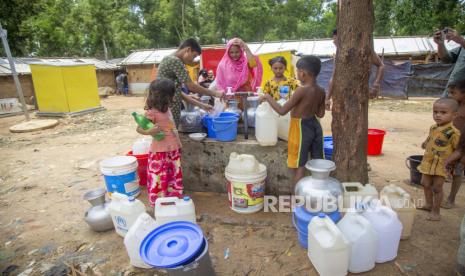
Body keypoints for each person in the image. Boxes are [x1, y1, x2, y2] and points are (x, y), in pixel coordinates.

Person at [260, 55, 325, 188]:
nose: (296, 74)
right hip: (315, 126)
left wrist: (267, 96)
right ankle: (318, 191)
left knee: (299, 166)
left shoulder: (301, 90)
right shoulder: (321, 91)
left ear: (302, 72)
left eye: (297, 71)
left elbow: (282, 110)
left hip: (300, 128)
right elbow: (321, 113)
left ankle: (298, 201)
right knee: (317, 162)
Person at [136, 79, 183, 206]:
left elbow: (173, 128)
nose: (173, 97)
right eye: (171, 94)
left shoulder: (166, 109)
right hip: (159, 152)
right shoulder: (152, 112)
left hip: (172, 150)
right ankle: (159, 201)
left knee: (172, 174)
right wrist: (150, 130)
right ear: (163, 95)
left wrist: (179, 145)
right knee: (159, 177)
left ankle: (172, 197)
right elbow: (139, 128)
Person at [156, 38, 223, 126]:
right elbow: (191, 86)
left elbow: (178, 92)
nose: (192, 60)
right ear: (188, 50)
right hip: (167, 108)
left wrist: (202, 105)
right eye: (194, 56)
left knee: (168, 135)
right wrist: (215, 94)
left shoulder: (170, 59)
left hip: (166, 107)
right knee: (169, 135)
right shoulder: (175, 61)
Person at [417, 98, 460, 221]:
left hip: (441, 165)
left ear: (454, 115)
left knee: (437, 188)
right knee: (425, 183)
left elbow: (458, 150)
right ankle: (428, 204)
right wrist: (425, 143)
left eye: (443, 112)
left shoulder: (453, 133)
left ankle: (436, 212)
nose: (438, 115)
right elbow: (430, 138)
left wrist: (452, 164)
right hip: (428, 162)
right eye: (435, 112)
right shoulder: (433, 127)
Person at [326, 29, 385, 110]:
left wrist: (376, 85)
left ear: (342, 38)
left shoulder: (364, 49)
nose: (333, 42)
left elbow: (381, 66)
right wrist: (327, 98)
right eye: (333, 39)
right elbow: (334, 76)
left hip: (360, 96)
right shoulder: (338, 55)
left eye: (335, 39)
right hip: (342, 98)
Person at [443, 79, 465, 208]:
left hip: (462, 146)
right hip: (449, 143)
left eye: (453, 92)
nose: (451, 95)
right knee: (446, 166)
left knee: (458, 172)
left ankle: (451, 198)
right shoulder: (454, 105)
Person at [434, 27, 465, 97]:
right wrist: (440, 44)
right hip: (454, 95)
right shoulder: (462, 47)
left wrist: (460, 41)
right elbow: (446, 59)